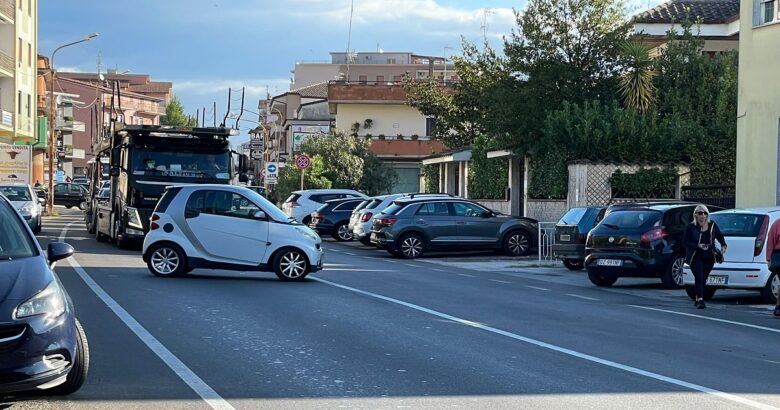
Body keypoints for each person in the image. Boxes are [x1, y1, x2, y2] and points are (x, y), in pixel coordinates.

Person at [683, 204, 727, 309]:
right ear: (695, 215)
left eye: (705, 213)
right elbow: (684, 242)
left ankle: (698, 297)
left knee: (703, 278)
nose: (702, 216)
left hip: (709, 256)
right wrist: (697, 245)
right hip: (695, 256)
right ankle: (700, 300)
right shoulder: (691, 227)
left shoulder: (712, 225)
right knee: (699, 276)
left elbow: (720, 237)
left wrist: (723, 246)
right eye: (700, 213)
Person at [764, 218, 780, 318]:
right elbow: (770, 241)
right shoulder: (777, 224)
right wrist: (769, 258)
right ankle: (778, 307)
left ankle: (778, 307)